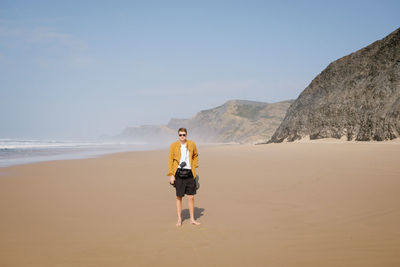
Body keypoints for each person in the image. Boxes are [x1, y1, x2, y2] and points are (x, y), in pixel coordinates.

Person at [167, 127, 201, 226]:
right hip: (178, 173)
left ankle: (192, 219)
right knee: (179, 197)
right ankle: (179, 219)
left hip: (190, 173)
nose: (182, 136)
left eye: (184, 135)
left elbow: (196, 155)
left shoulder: (192, 144)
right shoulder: (173, 145)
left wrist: (194, 165)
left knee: (191, 197)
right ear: (178, 136)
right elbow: (170, 160)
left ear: (186, 135)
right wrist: (171, 175)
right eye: (180, 135)